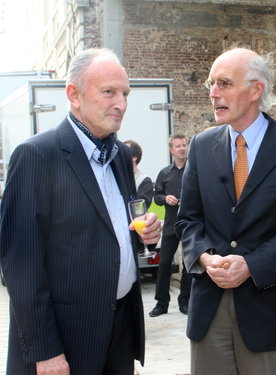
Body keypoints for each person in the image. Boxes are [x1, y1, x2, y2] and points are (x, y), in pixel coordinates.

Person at [0, 48, 161, 375]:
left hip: (119, 331)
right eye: (109, 92)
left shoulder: (118, 155)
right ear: (74, 94)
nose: (121, 103)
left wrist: (145, 234)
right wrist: (46, 352)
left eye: (125, 94)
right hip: (66, 340)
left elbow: (117, 228)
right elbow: (21, 266)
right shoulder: (36, 157)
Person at [175, 47, 276, 375]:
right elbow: (188, 219)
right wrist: (204, 257)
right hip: (209, 307)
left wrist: (251, 265)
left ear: (256, 90)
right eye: (211, 84)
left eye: (224, 83)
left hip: (270, 308)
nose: (213, 93)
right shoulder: (201, 147)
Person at [149, 133, 192, 317]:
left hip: (190, 225)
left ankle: (185, 302)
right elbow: (156, 197)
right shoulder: (165, 173)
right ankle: (161, 304)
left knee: (188, 265)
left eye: (184, 145)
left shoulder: (194, 170)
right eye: (178, 146)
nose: (182, 148)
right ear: (171, 150)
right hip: (170, 226)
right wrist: (165, 198)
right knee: (165, 264)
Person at [125, 139, 154, 207]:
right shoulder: (114, 177)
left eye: (124, 152)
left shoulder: (144, 180)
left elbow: (141, 208)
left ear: (134, 157)